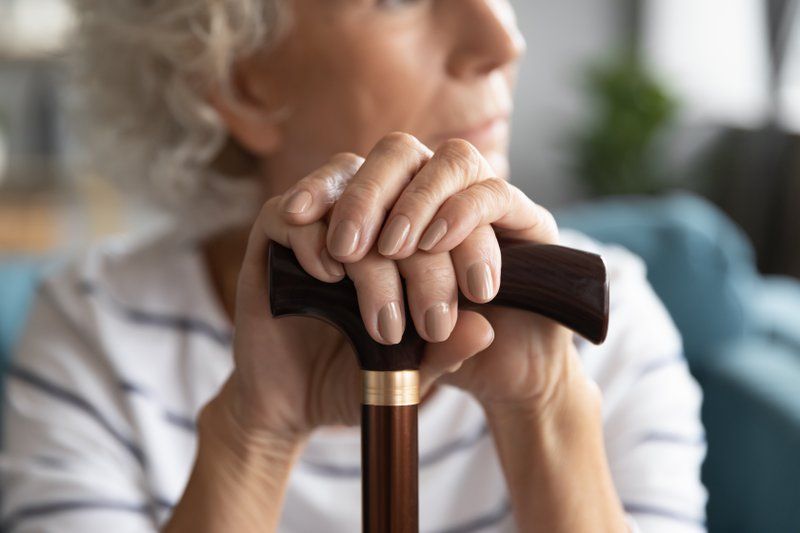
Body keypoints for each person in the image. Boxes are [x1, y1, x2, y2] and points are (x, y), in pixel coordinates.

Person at [0, 1, 707, 531]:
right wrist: (257, 430)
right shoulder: (92, 328)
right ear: (245, 83)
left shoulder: (603, 315)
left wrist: (543, 405)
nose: (501, 40)